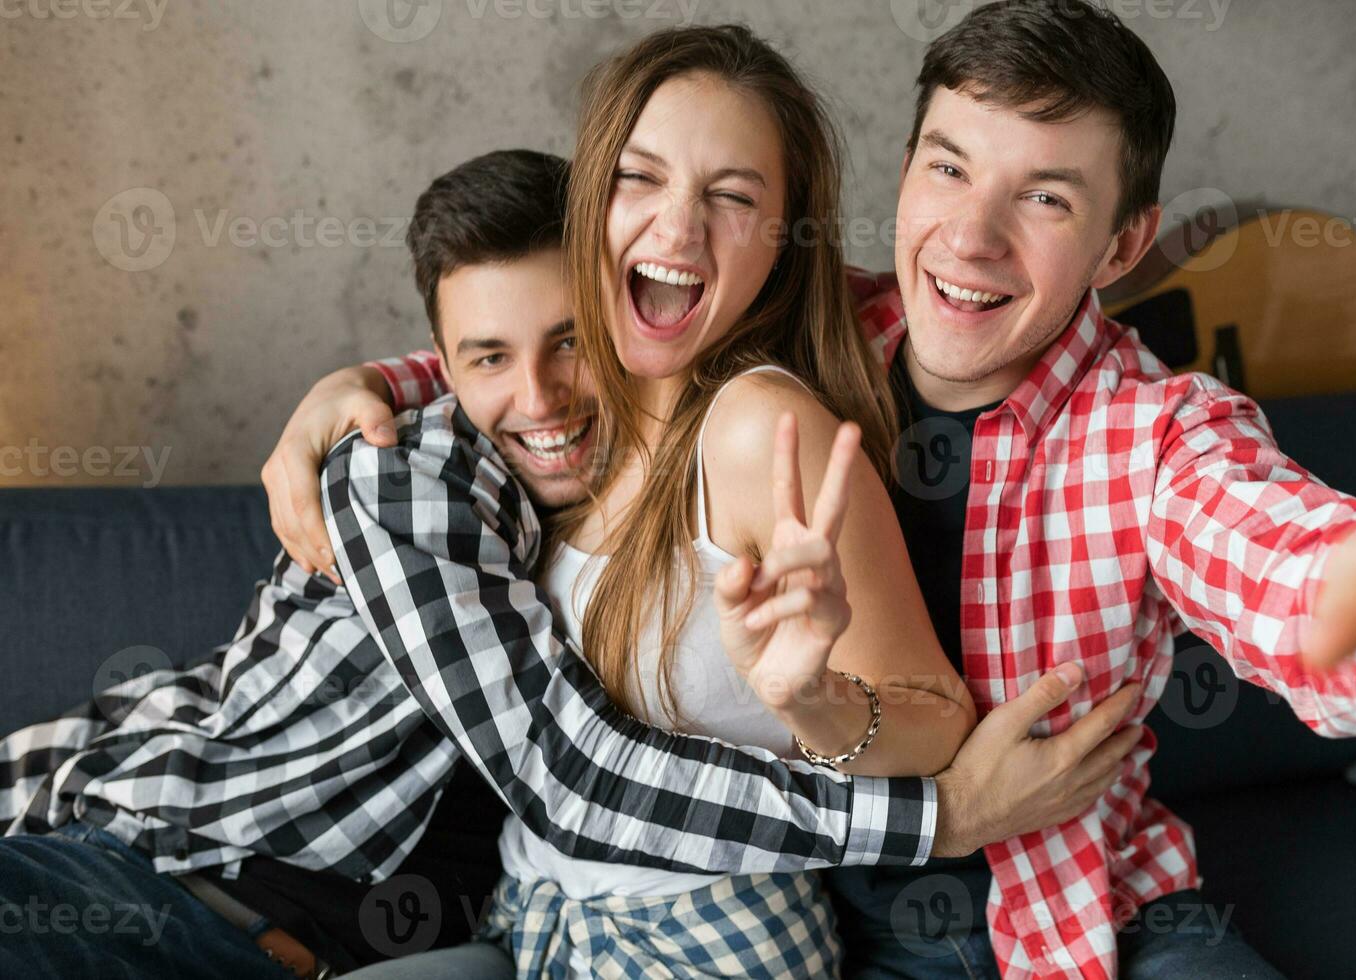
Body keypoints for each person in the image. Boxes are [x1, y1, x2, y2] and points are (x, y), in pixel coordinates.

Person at [275, 4, 1356, 978]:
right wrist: (371, 380)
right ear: (904, 175)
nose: (973, 236)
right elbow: (581, 327)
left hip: (1068, 918)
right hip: (834, 914)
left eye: (1046, 197)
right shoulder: (837, 319)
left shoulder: (1156, 437)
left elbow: (1281, 558)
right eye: (950, 167)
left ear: (1121, 245)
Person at [0, 147, 1136, 980]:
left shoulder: (648, 472)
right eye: (486, 358)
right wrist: (939, 815)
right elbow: (566, 774)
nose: (536, 399)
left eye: (568, 345)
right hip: (134, 860)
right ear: (444, 368)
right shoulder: (412, 478)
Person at [328, 25, 984, 977]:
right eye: (641, 179)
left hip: (706, 937)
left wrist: (817, 703)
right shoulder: (579, 401)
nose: (678, 231)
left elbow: (938, 716)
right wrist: (344, 394)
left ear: (782, 244)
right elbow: (478, 347)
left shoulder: (760, 427)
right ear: (589, 201)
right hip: (534, 909)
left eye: (731, 197)